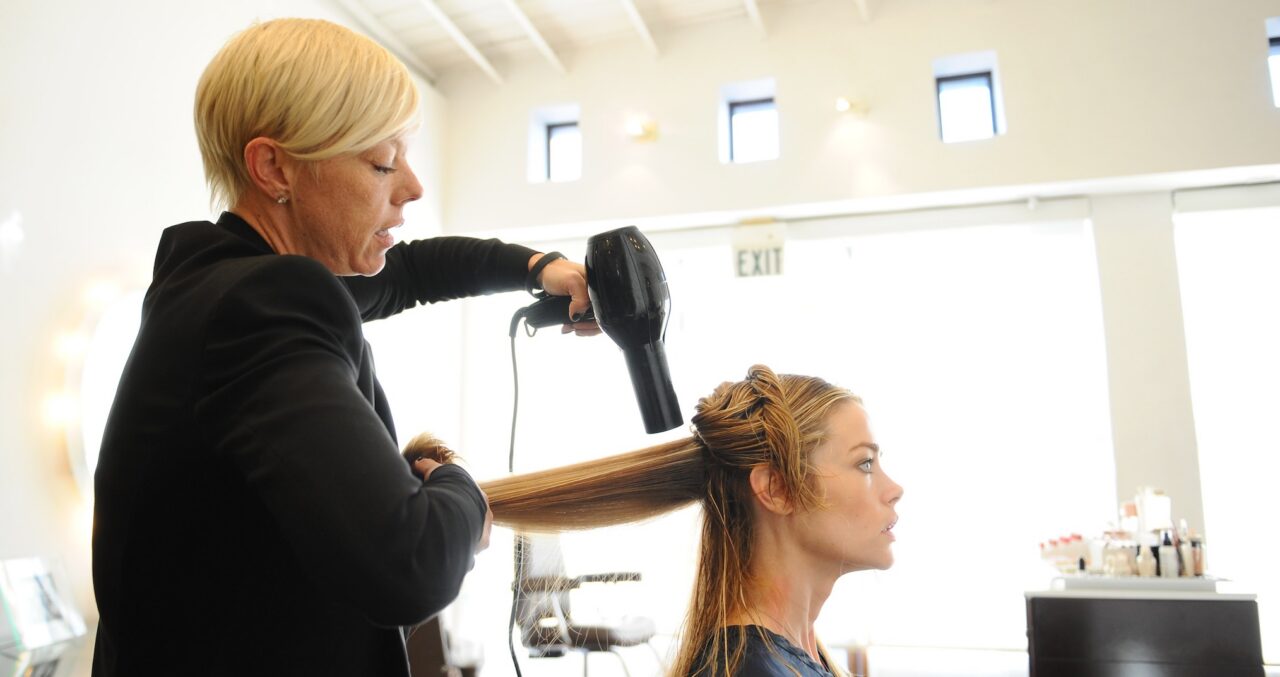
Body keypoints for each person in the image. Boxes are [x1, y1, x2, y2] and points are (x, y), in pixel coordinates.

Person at [91, 18, 594, 677]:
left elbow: (411, 274)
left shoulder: (211, 288)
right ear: (275, 166)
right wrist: (458, 492)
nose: (412, 187)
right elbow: (409, 564)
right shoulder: (261, 306)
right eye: (383, 162)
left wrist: (538, 267)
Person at [404, 364, 905, 677]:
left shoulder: (795, 653)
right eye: (864, 463)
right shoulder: (746, 669)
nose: (892, 488)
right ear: (774, 488)